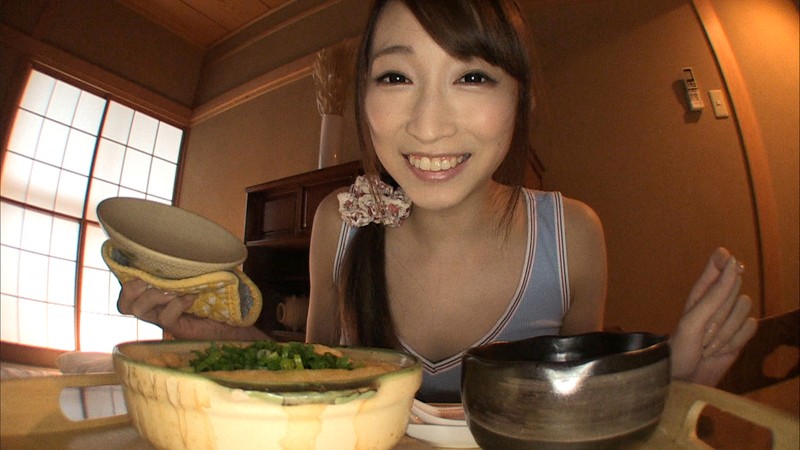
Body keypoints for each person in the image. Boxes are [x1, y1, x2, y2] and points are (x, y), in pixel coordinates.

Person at [117, 0, 757, 402]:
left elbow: (575, 408)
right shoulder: (341, 221)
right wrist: (230, 340)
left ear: (522, 98)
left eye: (472, 76)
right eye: (396, 76)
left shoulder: (571, 236)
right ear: (363, 96)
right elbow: (313, 379)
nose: (427, 127)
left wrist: (672, 388)